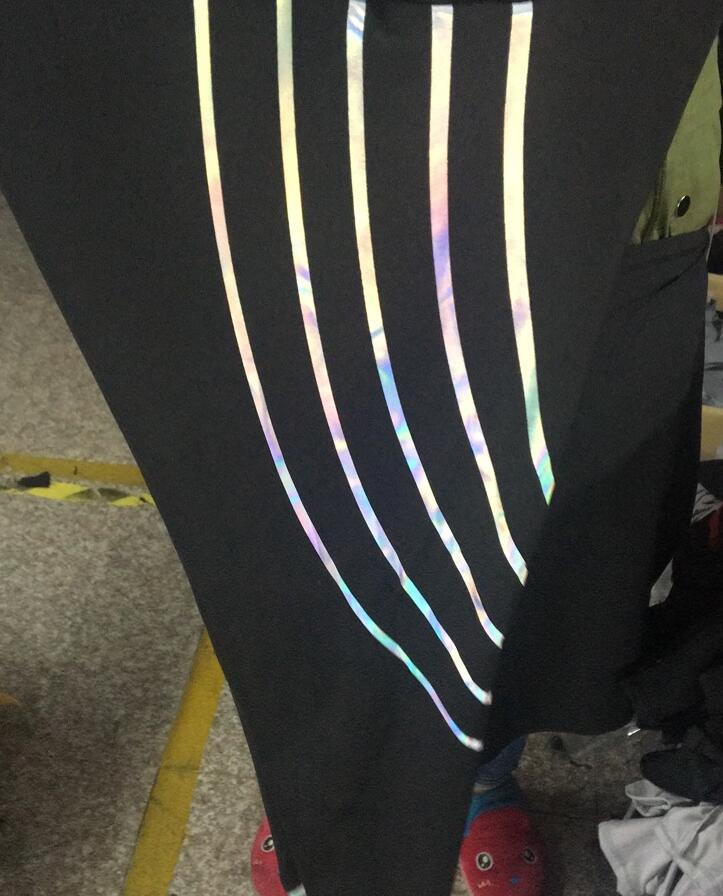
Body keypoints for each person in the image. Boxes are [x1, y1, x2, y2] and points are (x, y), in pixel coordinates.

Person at [1, 2, 721, 894]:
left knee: (557, 549)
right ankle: (334, 787)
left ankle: (479, 772)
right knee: (320, 542)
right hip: (296, 150)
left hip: (604, 157)